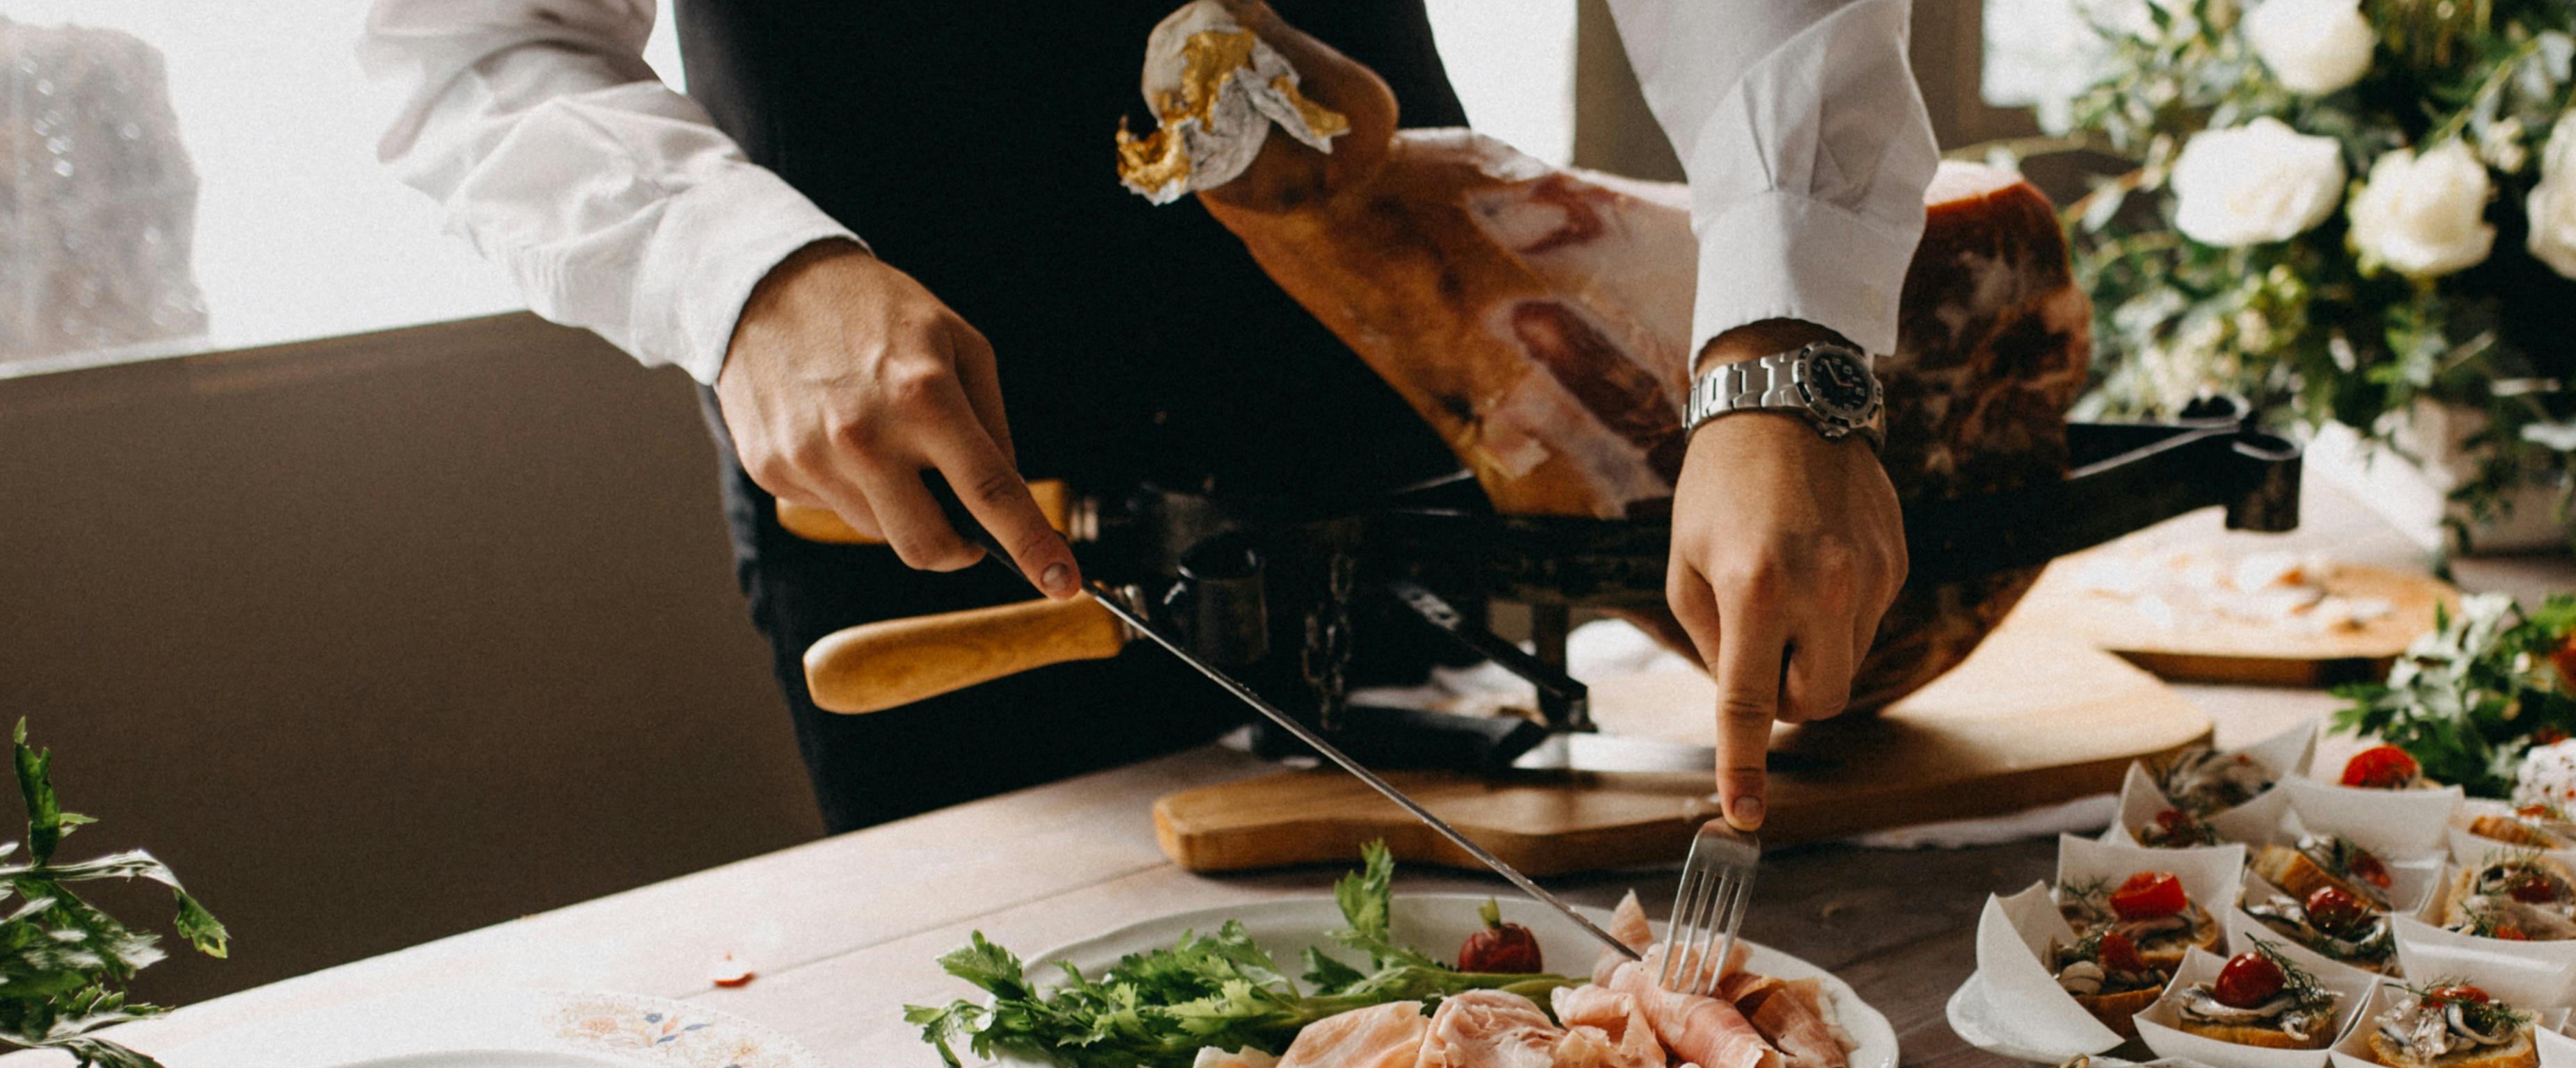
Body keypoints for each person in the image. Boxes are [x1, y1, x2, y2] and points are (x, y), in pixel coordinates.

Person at [364, 0, 1928, 833]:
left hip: (1423, 440)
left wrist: (1783, 338)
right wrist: (745, 274)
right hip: (934, 508)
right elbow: (471, 48)